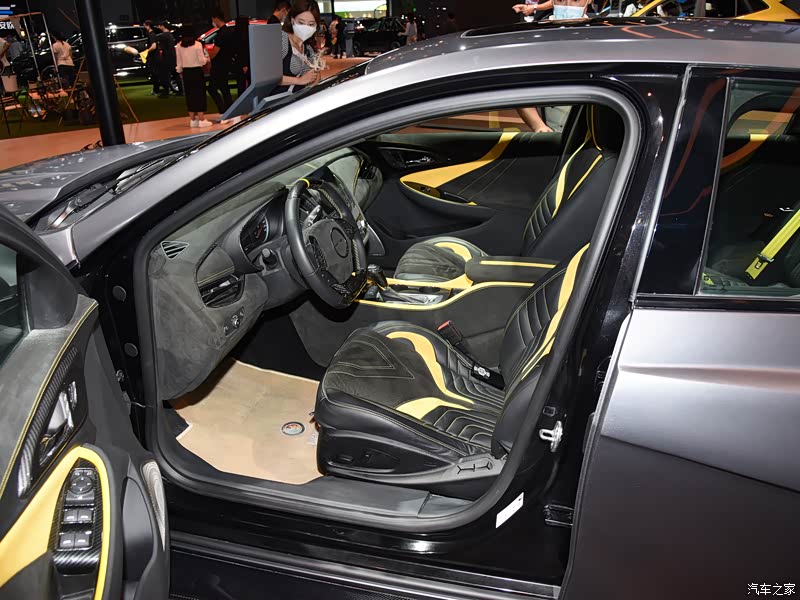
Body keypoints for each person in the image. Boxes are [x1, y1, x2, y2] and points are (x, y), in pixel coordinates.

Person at [273, 0, 323, 95]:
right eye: (301, 22)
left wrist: (315, 76)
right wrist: (299, 80)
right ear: (292, 20)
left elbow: (315, 77)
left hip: (298, 99)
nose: (305, 27)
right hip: (278, 100)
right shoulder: (282, 39)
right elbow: (269, 77)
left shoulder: (308, 48)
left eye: (311, 24)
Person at [176, 26, 212, 128]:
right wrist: (207, 58)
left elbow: (179, 62)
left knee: (189, 95)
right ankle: (201, 119)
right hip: (196, 72)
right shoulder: (197, 45)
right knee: (199, 95)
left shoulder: (179, 46)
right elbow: (202, 61)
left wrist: (179, 71)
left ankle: (192, 120)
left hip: (186, 73)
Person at [207, 10, 234, 114]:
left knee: (212, 88)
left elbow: (215, 52)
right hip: (226, 63)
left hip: (219, 65)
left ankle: (223, 110)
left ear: (216, 19)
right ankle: (229, 109)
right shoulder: (229, 31)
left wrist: (207, 57)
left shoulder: (221, 34)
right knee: (224, 88)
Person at [155, 22, 178, 98]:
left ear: (162, 26)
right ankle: (180, 90)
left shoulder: (164, 35)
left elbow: (155, 38)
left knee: (165, 75)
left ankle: (166, 91)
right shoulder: (170, 35)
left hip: (167, 57)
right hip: (172, 56)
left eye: (159, 26)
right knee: (174, 74)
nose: (158, 27)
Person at [143, 20, 162, 95]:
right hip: (154, 57)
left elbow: (154, 46)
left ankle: (156, 90)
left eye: (144, 25)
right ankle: (156, 89)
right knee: (154, 74)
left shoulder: (152, 35)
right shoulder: (152, 34)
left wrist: (146, 51)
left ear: (148, 26)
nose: (144, 27)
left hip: (154, 57)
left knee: (155, 74)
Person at [234, 15, 251, 97]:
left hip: (241, 63)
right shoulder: (248, 34)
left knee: (241, 85)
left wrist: (244, 64)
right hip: (248, 63)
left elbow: (240, 51)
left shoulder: (237, 35)